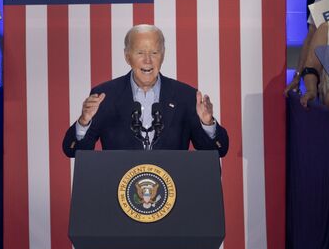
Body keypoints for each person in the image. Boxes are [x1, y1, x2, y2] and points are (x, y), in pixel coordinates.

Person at [62, 24, 229, 157]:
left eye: (154, 52)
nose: (148, 60)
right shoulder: (105, 95)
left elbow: (217, 150)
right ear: (127, 56)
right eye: (140, 52)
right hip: (119, 192)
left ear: (162, 55)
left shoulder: (185, 96)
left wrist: (207, 123)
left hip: (172, 192)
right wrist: (84, 122)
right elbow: (73, 150)